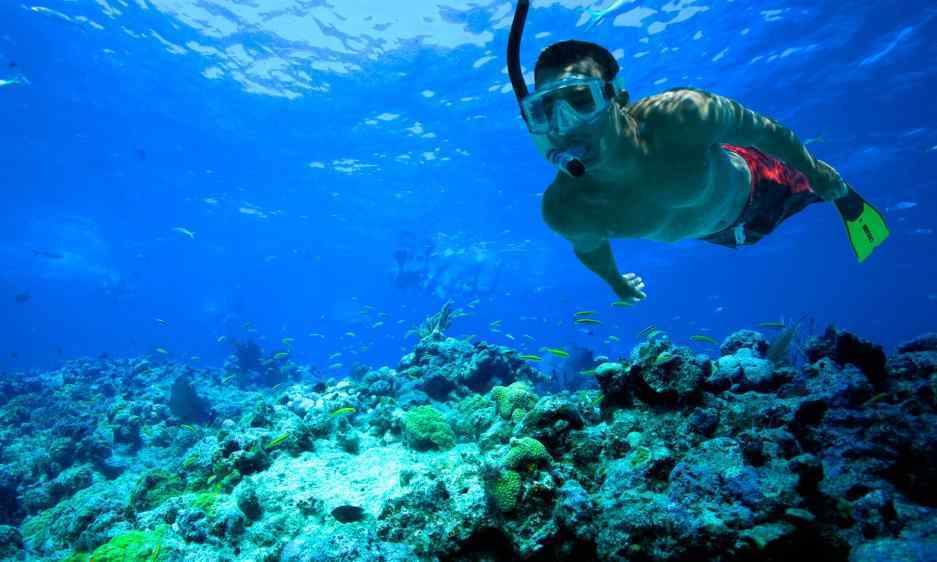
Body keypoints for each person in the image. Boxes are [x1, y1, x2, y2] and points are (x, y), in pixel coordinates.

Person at [506, 1, 889, 305]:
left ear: (616, 95)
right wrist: (617, 282)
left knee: (821, 185)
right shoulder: (566, 208)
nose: (565, 124)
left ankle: (837, 190)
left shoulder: (684, 115)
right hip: (721, 236)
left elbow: (764, 132)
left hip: (762, 186)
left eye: (579, 100)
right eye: (545, 110)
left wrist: (812, 169)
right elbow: (590, 247)